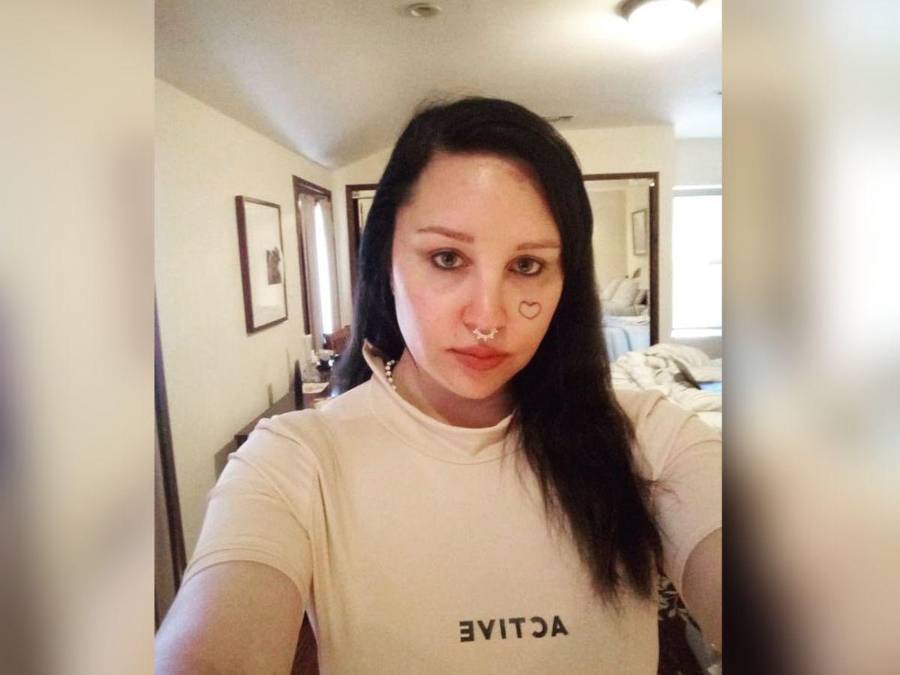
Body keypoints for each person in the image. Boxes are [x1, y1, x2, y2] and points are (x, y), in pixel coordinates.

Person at [156, 97, 721, 673]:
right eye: (447, 258)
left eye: (527, 266)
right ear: (385, 263)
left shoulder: (650, 437)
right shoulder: (294, 461)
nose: (487, 319)